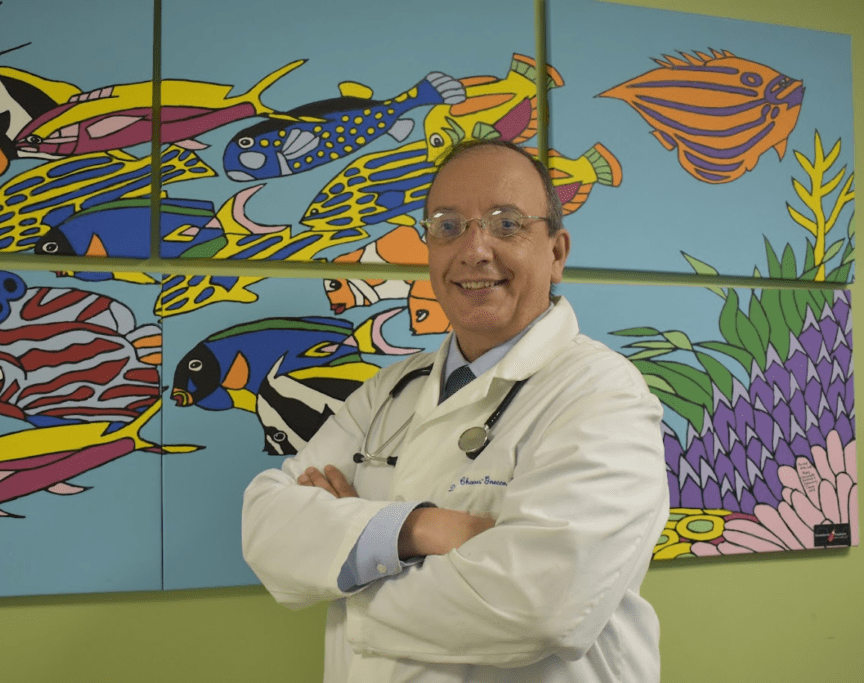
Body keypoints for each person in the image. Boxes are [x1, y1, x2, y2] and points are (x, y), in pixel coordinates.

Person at [242, 139, 670, 682]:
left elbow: (539, 608)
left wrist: (347, 573)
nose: (474, 250)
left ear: (556, 253)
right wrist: (416, 529)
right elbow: (265, 525)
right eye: (448, 226)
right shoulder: (390, 391)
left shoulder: (602, 395)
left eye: (507, 223)